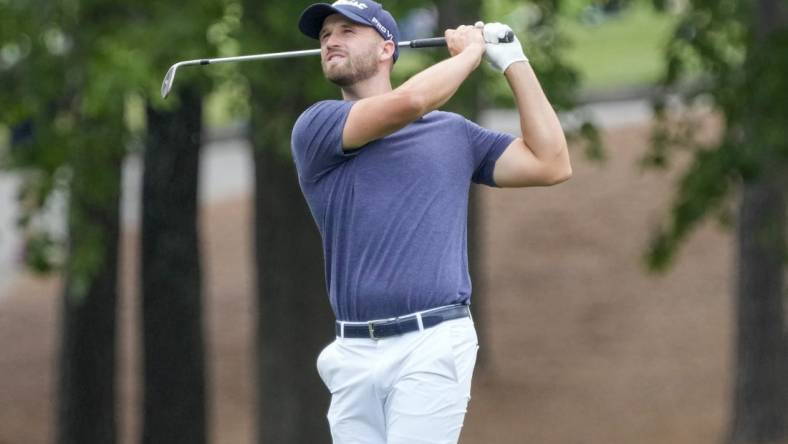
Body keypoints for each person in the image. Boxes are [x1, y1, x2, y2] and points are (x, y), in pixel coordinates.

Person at [291, 1, 571, 442]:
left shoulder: (453, 134)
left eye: (347, 30)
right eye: (325, 34)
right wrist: (468, 56)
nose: (331, 40)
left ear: (387, 49)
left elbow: (551, 162)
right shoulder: (318, 127)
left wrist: (514, 61)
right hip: (352, 353)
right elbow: (410, 101)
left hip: (433, 341)